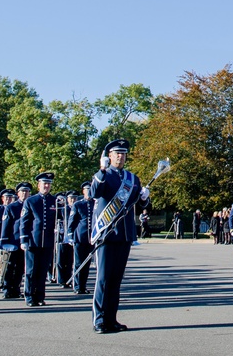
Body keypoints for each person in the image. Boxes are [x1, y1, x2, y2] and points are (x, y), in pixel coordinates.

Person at [90, 139, 150, 333]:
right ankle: (99, 320)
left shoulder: (132, 179)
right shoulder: (103, 176)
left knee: (116, 280)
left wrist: (144, 198)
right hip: (107, 234)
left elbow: (137, 205)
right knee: (103, 279)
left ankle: (111, 318)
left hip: (124, 235)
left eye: (123, 154)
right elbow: (95, 193)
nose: (120, 156)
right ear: (109, 156)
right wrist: (101, 170)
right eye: (117, 153)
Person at [20, 172, 57, 307]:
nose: (46, 186)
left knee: (42, 270)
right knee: (31, 271)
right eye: (44, 183)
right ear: (38, 185)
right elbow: (24, 222)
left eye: (48, 184)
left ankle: (40, 296)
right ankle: (29, 296)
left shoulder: (55, 201)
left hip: (47, 241)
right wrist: (24, 239)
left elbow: (58, 219)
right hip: (33, 241)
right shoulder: (31, 201)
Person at [0, 182, 30, 299]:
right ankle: (7, 289)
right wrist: (4, 241)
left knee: (20, 267)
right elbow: (6, 225)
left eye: (26, 191)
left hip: (24, 242)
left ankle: (16, 288)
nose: (25, 194)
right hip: (12, 241)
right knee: (9, 266)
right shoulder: (11, 207)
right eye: (22, 191)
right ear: (18, 193)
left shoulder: (30, 204)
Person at [67, 181, 95, 294]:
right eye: (86, 190)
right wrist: (70, 235)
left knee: (87, 263)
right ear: (83, 191)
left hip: (91, 238)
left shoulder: (95, 203)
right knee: (78, 263)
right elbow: (72, 221)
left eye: (90, 189)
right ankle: (77, 286)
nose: (88, 192)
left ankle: (83, 286)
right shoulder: (78, 204)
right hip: (80, 237)